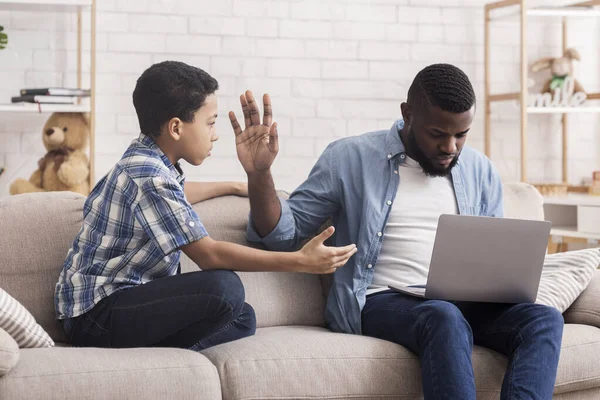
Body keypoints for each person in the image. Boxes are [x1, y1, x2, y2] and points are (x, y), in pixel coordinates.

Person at [231, 63, 564, 399]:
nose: (450, 146)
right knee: (442, 315)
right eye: (438, 133)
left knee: (544, 320)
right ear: (408, 114)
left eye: (461, 135)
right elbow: (277, 234)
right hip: (381, 300)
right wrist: (260, 175)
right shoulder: (349, 157)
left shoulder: (480, 169)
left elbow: (495, 256)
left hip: (462, 305)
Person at [54, 61, 357, 351]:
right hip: (97, 315)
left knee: (243, 317)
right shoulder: (147, 174)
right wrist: (299, 260)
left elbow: (176, 192)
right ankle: (164, 350)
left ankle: (161, 349)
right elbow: (209, 255)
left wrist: (237, 184)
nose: (215, 134)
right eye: (210, 123)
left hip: (113, 307)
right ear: (176, 127)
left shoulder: (146, 160)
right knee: (225, 288)